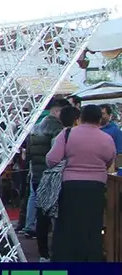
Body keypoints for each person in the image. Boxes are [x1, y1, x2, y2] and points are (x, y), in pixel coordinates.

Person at [47, 103, 115, 262]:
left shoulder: (67, 134)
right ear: (100, 120)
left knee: (66, 226)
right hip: (96, 187)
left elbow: (51, 159)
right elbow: (110, 160)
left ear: (81, 118)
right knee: (92, 226)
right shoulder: (107, 138)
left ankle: (65, 260)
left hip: (70, 186)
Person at [22, 98, 68, 253]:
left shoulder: (35, 127)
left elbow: (28, 154)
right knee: (55, 215)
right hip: (51, 177)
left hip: (36, 174)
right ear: (57, 111)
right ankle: (55, 250)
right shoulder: (57, 128)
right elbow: (57, 156)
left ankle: (43, 252)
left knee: (41, 213)